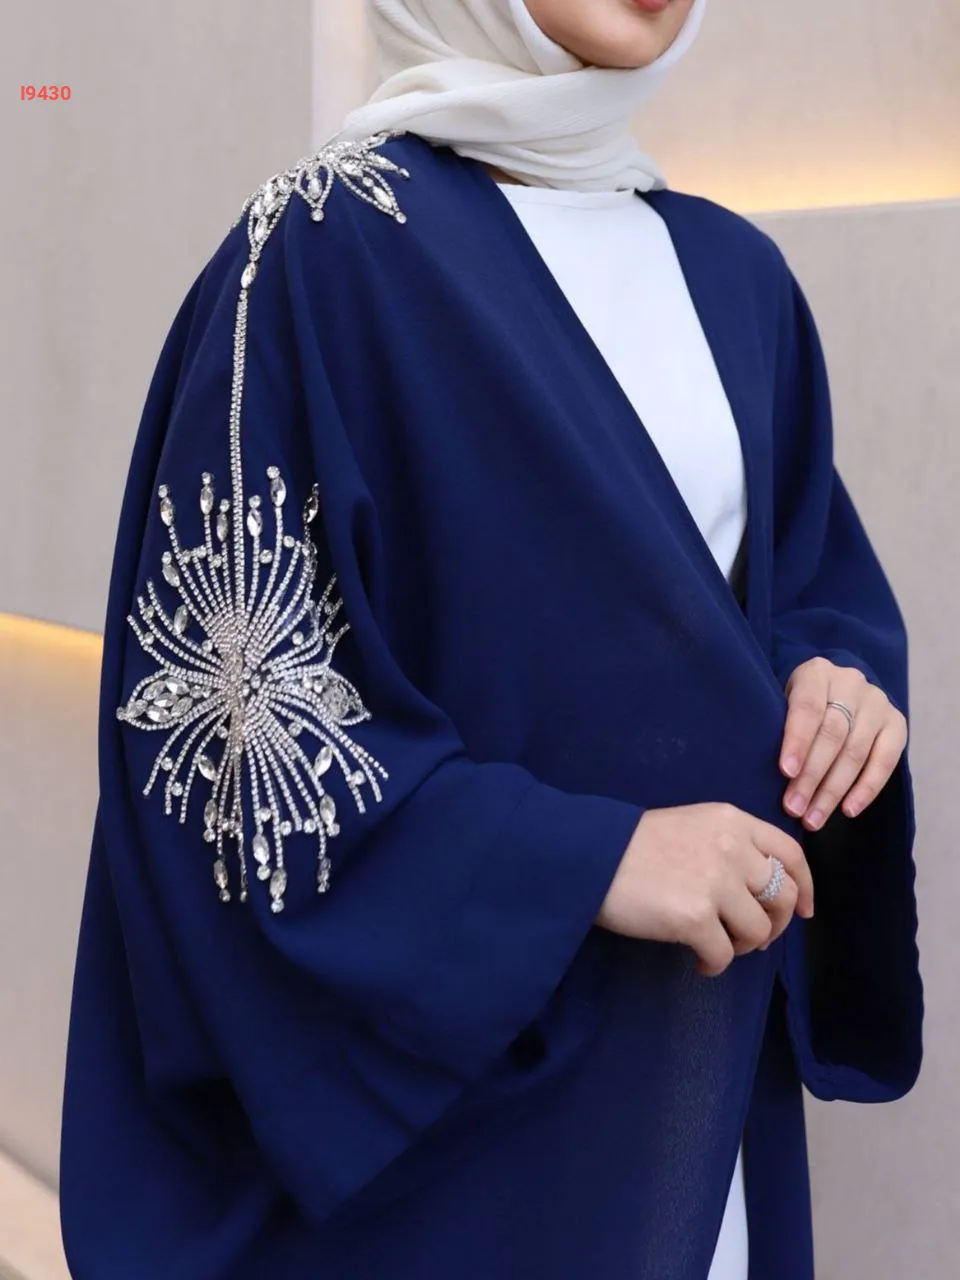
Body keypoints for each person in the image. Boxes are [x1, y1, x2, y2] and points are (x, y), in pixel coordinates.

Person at [59, 1, 923, 1276]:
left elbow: (801, 584)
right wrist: (588, 859)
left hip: (698, 1085)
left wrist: (838, 684)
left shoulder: (738, 278)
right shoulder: (327, 253)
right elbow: (226, 729)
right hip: (457, 1151)